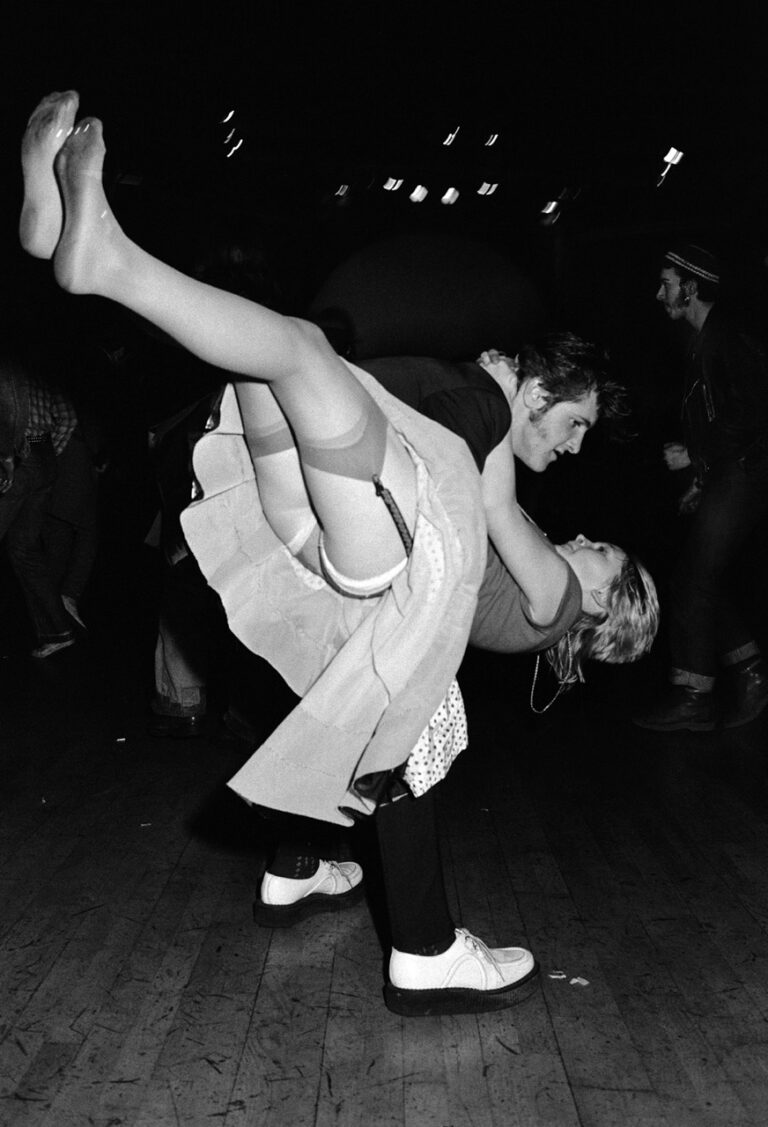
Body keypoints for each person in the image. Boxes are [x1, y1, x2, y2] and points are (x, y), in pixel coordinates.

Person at [20, 91, 658, 1016]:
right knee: (271, 365)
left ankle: (104, 258)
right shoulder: (511, 521)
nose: (585, 521)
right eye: (579, 424)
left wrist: (503, 396)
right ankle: (76, 242)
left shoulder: (558, 597)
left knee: (299, 353)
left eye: (604, 553)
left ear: (603, 607)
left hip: (385, 554)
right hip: (337, 545)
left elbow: (491, 503)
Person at [634, 243, 768, 731]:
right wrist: (701, 478)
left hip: (747, 475)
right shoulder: (705, 342)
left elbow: (754, 412)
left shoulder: (726, 339)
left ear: (690, 288)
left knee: (693, 581)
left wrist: (697, 456)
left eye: (666, 284)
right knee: (697, 580)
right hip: (732, 475)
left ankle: (696, 695)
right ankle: (748, 670)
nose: (658, 294)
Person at [0, 352, 79, 657]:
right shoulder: (42, 366)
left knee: (24, 549)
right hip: (41, 453)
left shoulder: (9, 368)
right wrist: (45, 452)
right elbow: (69, 418)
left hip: (16, 457)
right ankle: (58, 630)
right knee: (24, 549)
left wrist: (19, 455)